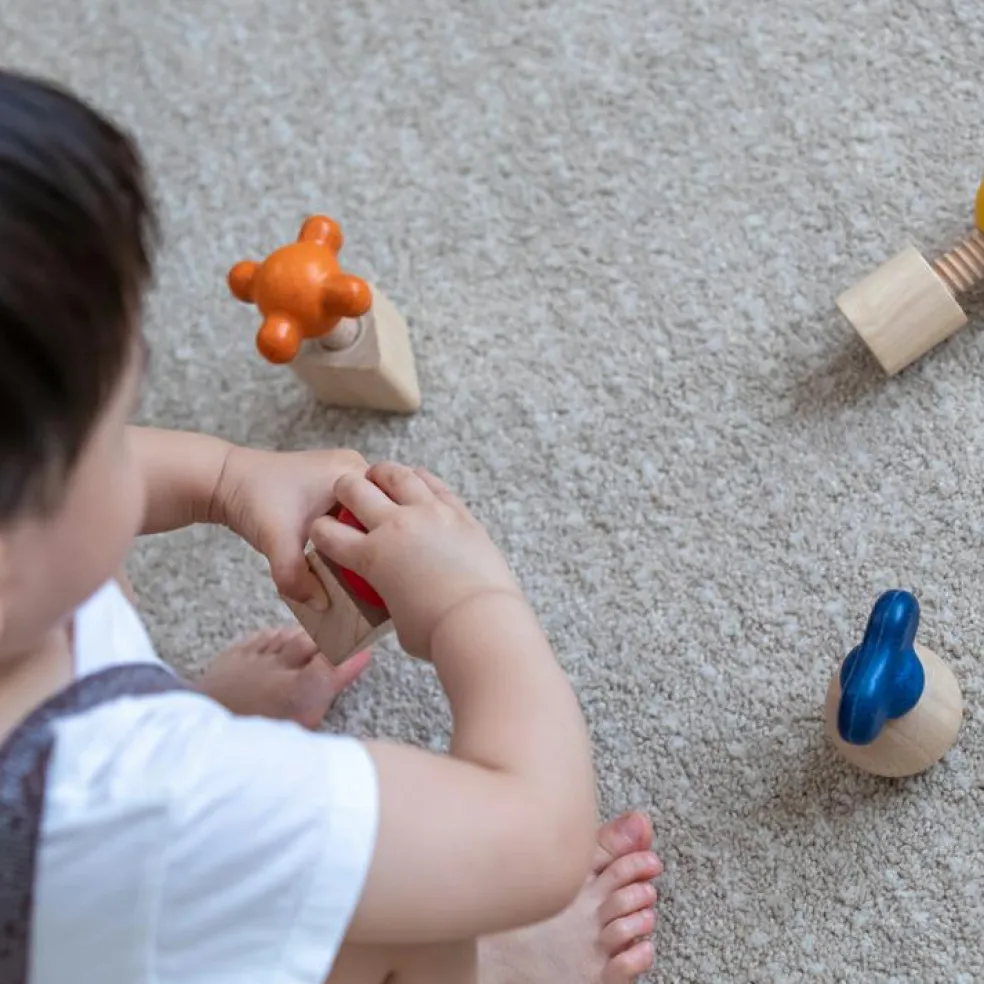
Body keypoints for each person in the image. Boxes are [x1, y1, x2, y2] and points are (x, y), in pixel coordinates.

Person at [0, 69, 661, 984]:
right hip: (128, 883)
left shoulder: (26, 585)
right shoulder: (177, 808)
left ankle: (158, 705)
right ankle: (490, 965)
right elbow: (534, 841)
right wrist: (470, 602)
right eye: (115, 435)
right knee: (394, 904)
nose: (134, 451)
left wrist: (228, 479)